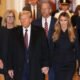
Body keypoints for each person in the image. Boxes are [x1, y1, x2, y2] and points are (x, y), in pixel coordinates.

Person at [7, 9, 49, 80]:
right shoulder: (14, 32)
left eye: (25, 18)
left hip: (36, 69)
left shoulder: (40, 31)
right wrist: (10, 67)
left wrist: (45, 65)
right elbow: (10, 51)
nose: (23, 21)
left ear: (30, 19)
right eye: (21, 19)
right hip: (20, 70)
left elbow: (45, 49)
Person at [51, 12, 80, 80]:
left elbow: (78, 49)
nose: (63, 22)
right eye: (61, 20)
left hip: (70, 65)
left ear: (68, 21)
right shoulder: (55, 33)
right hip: (57, 65)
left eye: (65, 20)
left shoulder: (73, 33)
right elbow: (52, 50)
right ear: (59, 21)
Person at [32, 1, 56, 80]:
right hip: (39, 59)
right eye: (42, 9)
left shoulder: (57, 22)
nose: (44, 11)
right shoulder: (35, 23)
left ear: (50, 10)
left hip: (54, 59)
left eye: (46, 9)